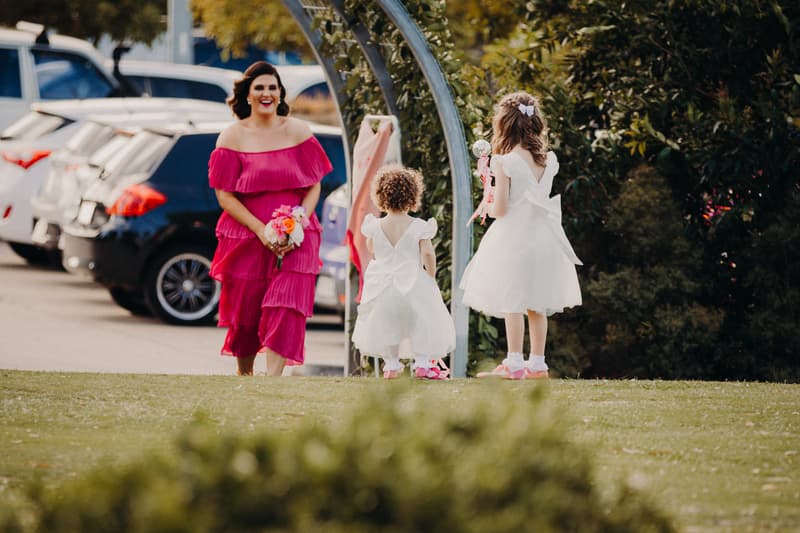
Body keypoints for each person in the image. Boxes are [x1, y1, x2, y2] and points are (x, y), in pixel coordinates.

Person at [207, 61, 332, 376]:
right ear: (247, 95)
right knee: (247, 312)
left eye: (272, 87)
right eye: (259, 87)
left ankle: (272, 381)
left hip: (298, 235)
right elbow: (224, 195)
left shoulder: (298, 130)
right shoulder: (232, 137)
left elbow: (314, 183)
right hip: (248, 235)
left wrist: (299, 220)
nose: (267, 93)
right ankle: (246, 375)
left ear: (280, 93)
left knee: (285, 305)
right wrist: (262, 230)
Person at [460, 91, 582, 380]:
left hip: (515, 237)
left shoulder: (506, 162)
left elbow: (501, 209)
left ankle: (514, 362)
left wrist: (487, 199)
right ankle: (538, 363)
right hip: (543, 237)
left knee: (511, 299)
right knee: (536, 302)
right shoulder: (548, 160)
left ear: (504, 124)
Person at [351, 165, 456, 380]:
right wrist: (431, 275)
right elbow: (427, 253)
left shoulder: (375, 225)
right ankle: (422, 363)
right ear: (412, 195)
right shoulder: (418, 226)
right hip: (412, 282)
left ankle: (391, 365)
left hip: (384, 283)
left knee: (389, 323)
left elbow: (372, 248)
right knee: (422, 321)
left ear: (381, 196)